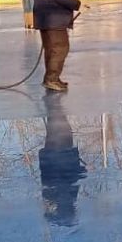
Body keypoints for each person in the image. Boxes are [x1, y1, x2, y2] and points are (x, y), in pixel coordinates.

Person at [30, 0, 82, 92]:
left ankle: (52, 78)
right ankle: (51, 79)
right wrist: (76, 3)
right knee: (60, 48)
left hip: (43, 16)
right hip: (54, 16)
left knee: (51, 49)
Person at [38, 94, 87, 226]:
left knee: (60, 128)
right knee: (56, 128)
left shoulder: (66, 197)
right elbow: (48, 179)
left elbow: (69, 179)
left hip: (62, 156)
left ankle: (53, 101)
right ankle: (52, 103)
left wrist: (82, 171)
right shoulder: (52, 197)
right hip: (54, 157)